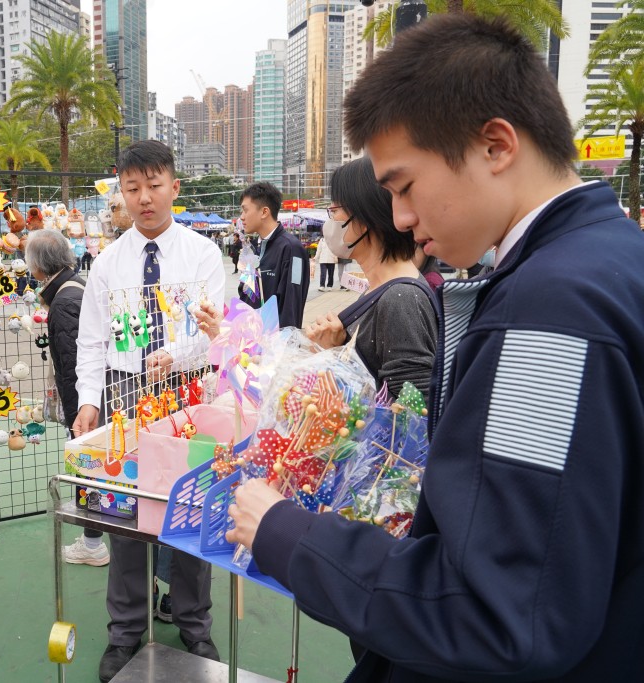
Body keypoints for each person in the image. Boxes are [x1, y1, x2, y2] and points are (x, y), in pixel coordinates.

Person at [228, 14, 644, 682]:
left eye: (404, 185)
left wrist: (289, 535)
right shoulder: (610, 260)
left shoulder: (551, 308)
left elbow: (500, 610)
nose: (400, 218)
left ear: (496, 146)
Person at [73, 140, 224, 681]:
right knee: (125, 514)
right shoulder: (108, 262)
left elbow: (214, 335)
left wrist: (177, 354)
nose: (143, 198)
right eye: (132, 188)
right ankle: (126, 632)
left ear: (174, 188)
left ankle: (193, 625)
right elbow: (90, 342)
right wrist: (90, 402)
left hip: (188, 393)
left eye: (154, 186)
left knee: (190, 507)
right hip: (124, 395)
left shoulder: (204, 255)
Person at [305, 158, 437, 401]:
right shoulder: (381, 288)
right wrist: (339, 346)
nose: (330, 223)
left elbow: (411, 413)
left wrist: (336, 353)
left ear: (364, 219)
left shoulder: (402, 298)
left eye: (335, 212)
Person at [25, 229, 109, 568]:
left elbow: (76, 365)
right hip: (88, 400)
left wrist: (76, 415)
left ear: (39, 265)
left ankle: (92, 543)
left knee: (86, 468)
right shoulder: (73, 287)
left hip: (83, 404)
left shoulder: (64, 300)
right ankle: (94, 539)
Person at [236, 182, 309, 328]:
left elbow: (291, 303)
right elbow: (247, 293)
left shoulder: (292, 249)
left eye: (245, 210)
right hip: (253, 339)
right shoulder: (256, 248)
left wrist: (284, 345)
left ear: (264, 212)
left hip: (276, 343)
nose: (241, 217)